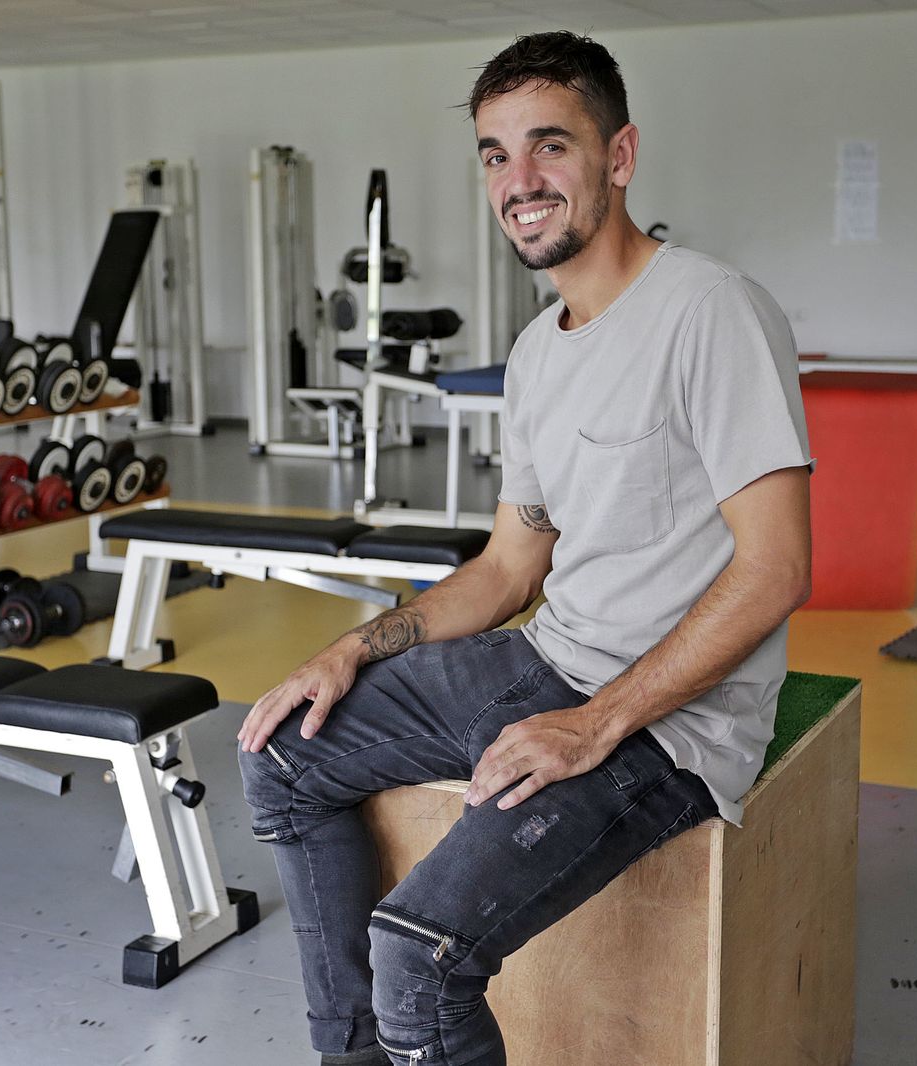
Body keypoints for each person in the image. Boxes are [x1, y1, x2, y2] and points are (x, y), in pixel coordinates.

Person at [237, 30, 812, 1066]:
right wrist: (355, 648)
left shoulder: (709, 310)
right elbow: (510, 568)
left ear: (619, 156)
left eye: (550, 146)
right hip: (547, 663)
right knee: (282, 753)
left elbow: (774, 568)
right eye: (496, 155)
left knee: (419, 954)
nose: (520, 181)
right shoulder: (537, 352)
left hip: (668, 725)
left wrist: (593, 726)